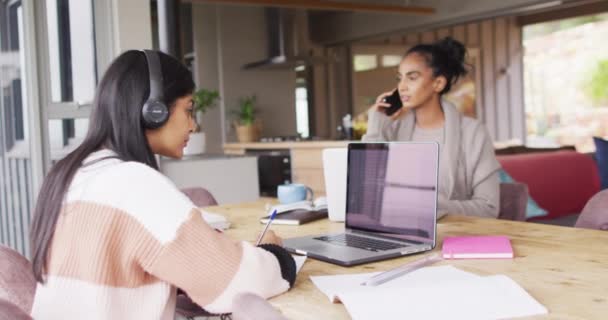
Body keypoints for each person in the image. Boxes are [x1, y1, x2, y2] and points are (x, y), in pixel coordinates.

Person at [29, 50, 296, 319]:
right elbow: (238, 283)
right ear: (153, 111)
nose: (193, 126)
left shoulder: (70, 175)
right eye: (189, 110)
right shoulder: (133, 182)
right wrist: (274, 252)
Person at [363, 37, 500, 219]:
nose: (402, 86)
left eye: (412, 77)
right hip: (398, 232)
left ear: (438, 83)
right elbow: (367, 192)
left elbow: (489, 208)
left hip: (455, 237)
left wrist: (431, 205)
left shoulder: (473, 133)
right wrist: (376, 123)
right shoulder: (392, 131)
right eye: (399, 78)